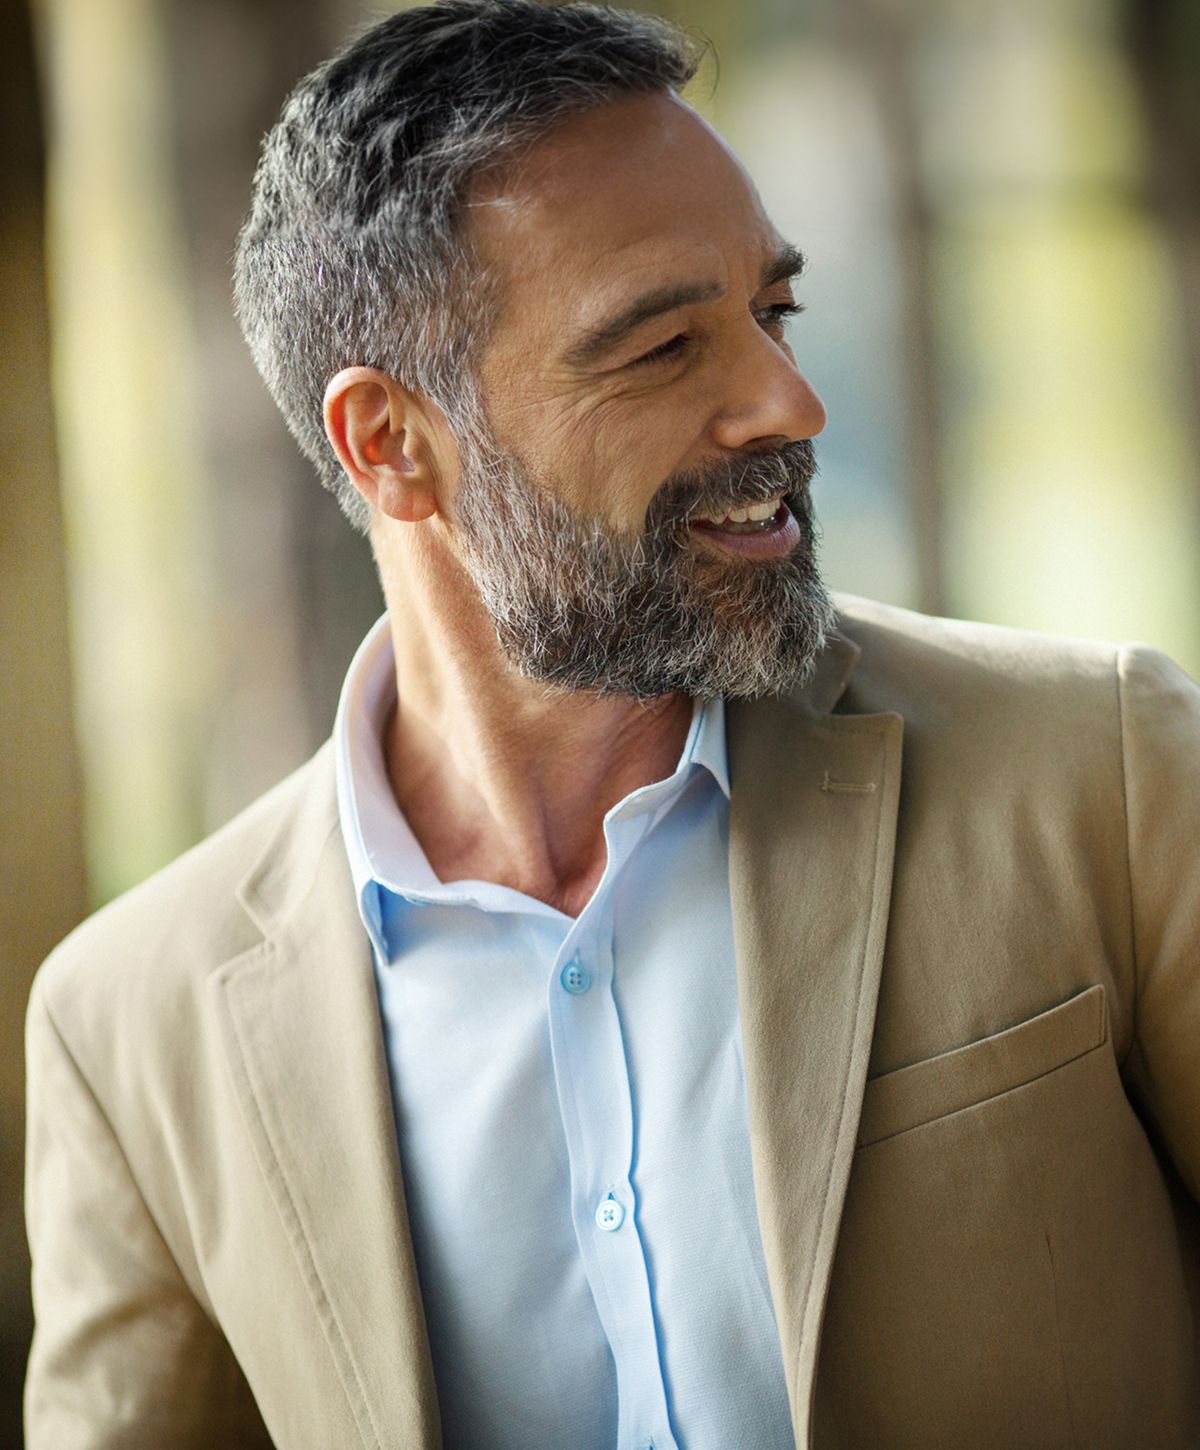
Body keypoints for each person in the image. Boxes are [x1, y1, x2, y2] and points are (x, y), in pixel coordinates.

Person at [23, 1, 1200, 1446]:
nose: (787, 399)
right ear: (391, 443)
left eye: (771, 312)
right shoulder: (131, 1023)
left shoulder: (1107, 772)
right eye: (659, 351)